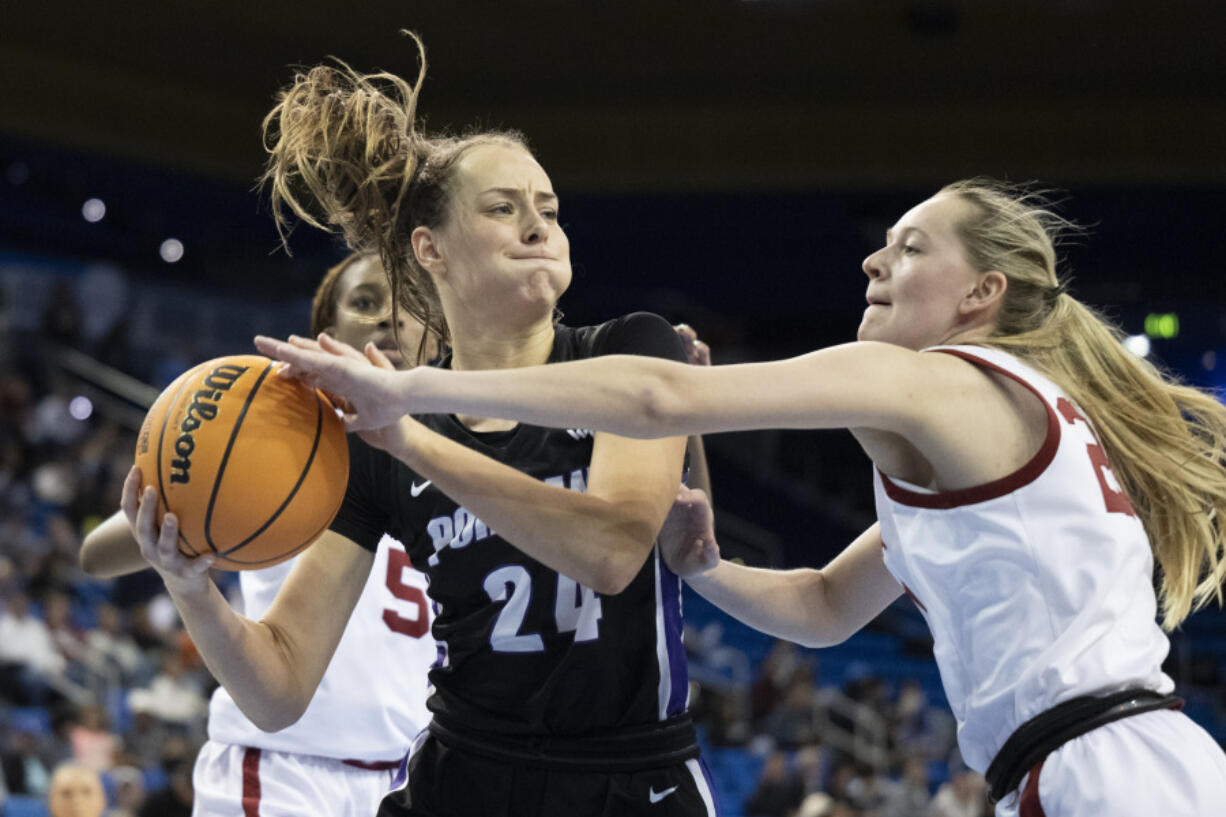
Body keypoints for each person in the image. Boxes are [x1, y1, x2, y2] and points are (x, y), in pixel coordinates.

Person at [262, 179, 1226, 816]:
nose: (872, 262)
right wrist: (710, 567)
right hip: (1109, 764)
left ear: (981, 293)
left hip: (1107, 772)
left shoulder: (945, 381)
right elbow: (820, 608)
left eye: (909, 247)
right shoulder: (981, 454)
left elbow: (657, 395)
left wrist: (415, 392)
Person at [136, 38, 718, 817]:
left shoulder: (630, 347)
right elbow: (278, 688)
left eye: (549, 209)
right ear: (429, 249)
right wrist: (190, 583)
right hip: (465, 773)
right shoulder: (380, 440)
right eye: (503, 208)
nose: (538, 225)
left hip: (629, 776)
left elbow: (612, 551)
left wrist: (409, 438)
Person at [80, 253, 438, 816]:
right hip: (282, 771)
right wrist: (163, 520)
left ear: (438, 337)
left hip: (409, 779)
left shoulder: (458, 458)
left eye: (411, 306)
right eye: (365, 302)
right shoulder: (281, 437)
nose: (387, 320)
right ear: (325, 336)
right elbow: (95, 556)